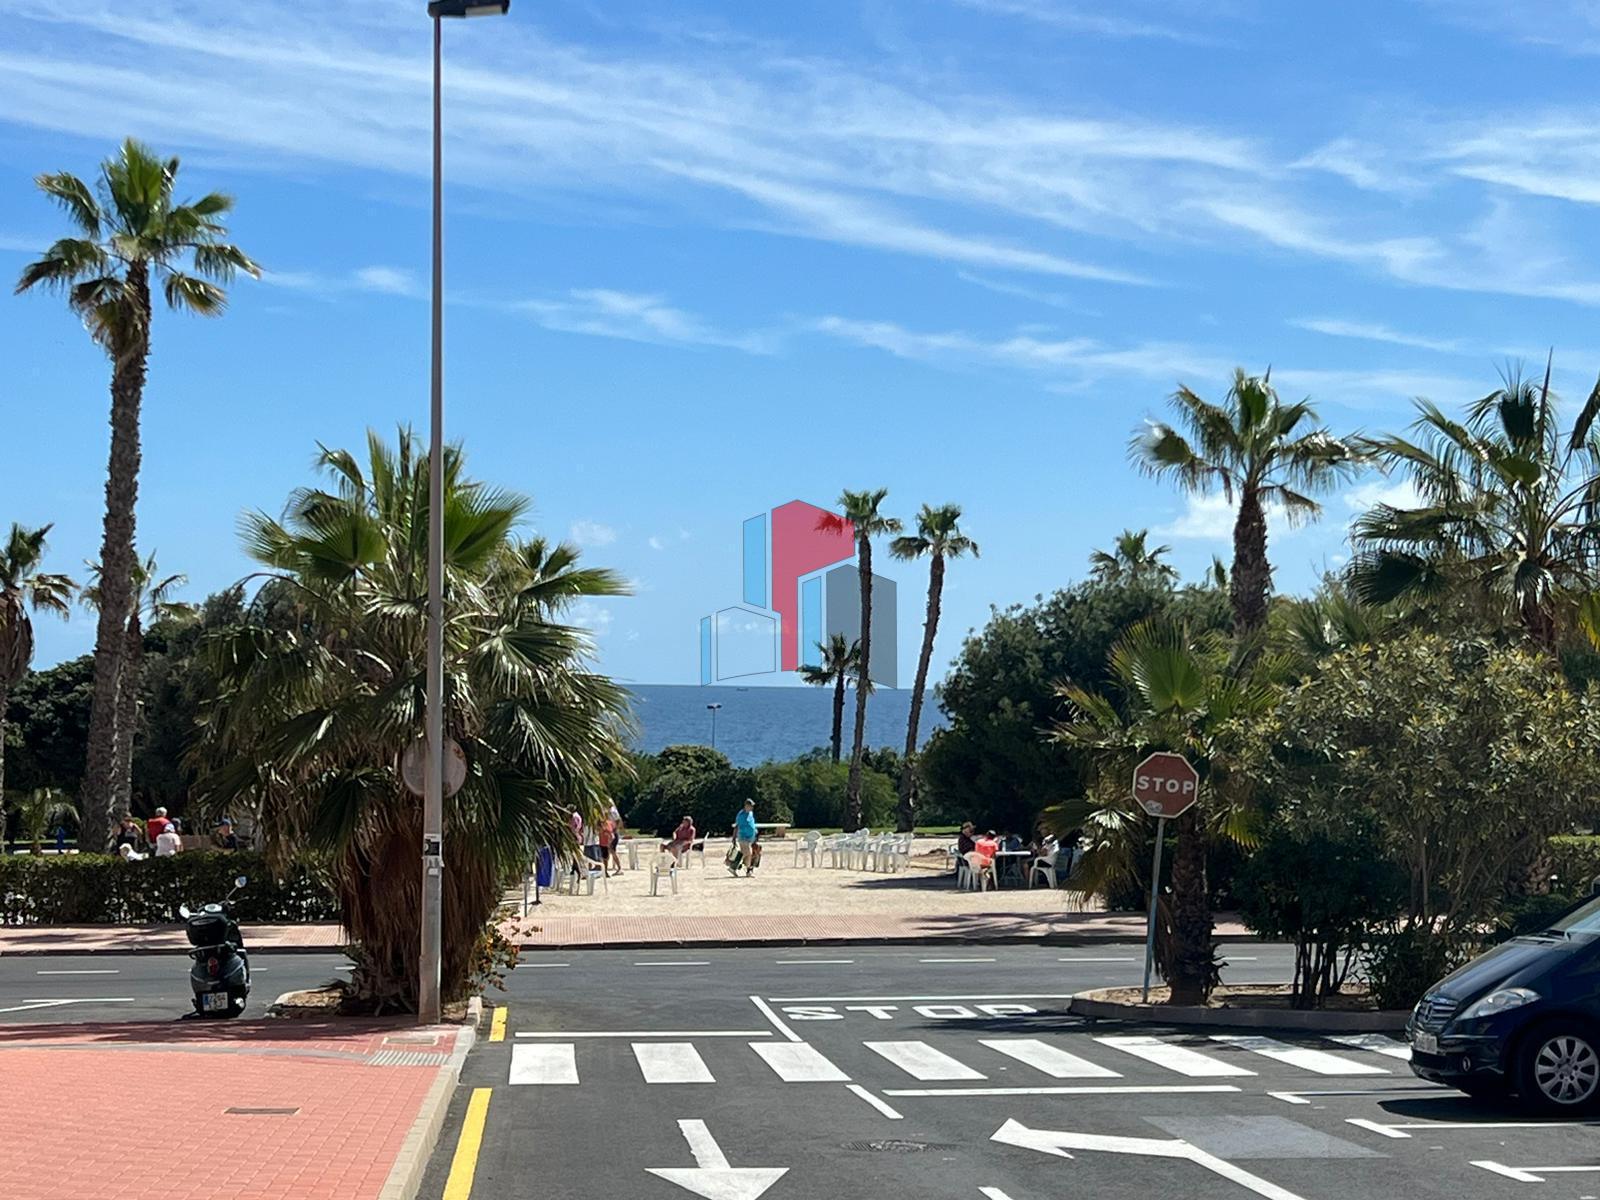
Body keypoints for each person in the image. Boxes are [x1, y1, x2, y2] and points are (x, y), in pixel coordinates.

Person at [730, 799, 758, 877]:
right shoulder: (741, 815)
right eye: (750, 806)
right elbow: (737, 826)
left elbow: (751, 823)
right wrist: (734, 838)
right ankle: (743, 869)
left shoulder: (751, 813)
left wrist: (755, 830)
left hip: (751, 837)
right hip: (743, 836)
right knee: (748, 852)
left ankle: (744, 869)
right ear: (746, 806)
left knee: (746, 854)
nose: (752, 807)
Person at [603, 803, 624, 876]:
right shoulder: (607, 811)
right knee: (609, 851)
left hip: (612, 832)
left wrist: (615, 829)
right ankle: (605, 869)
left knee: (612, 851)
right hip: (609, 832)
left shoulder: (613, 811)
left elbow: (618, 820)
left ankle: (619, 868)